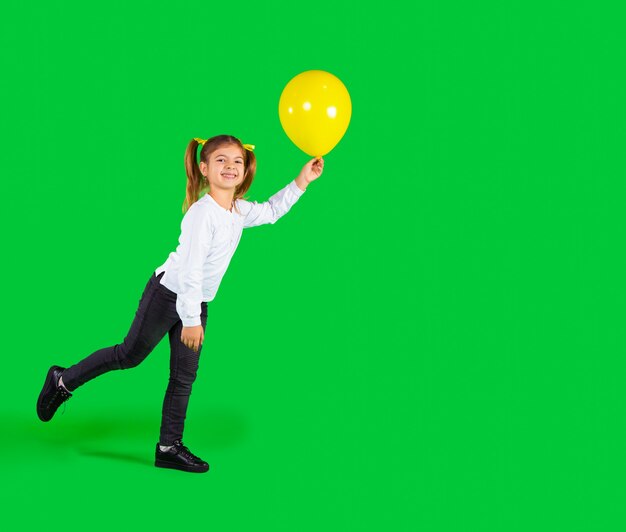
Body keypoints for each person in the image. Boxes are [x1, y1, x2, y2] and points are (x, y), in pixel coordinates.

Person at [36, 134, 324, 473]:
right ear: (204, 168)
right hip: (169, 296)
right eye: (221, 161)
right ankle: (62, 381)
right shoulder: (203, 215)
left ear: (245, 170)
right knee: (129, 355)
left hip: (195, 302)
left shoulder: (237, 210)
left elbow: (273, 211)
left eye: (237, 161)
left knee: (184, 376)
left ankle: (168, 447)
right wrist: (190, 319)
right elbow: (190, 271)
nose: (230, 167)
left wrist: (302, 181)